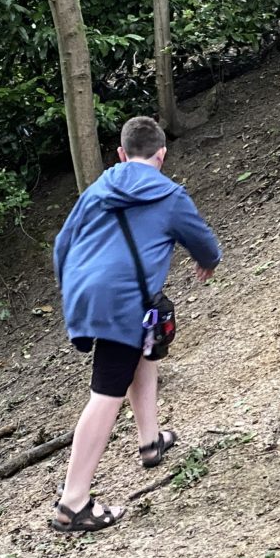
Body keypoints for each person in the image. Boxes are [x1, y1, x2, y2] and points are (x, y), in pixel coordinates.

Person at [49, 115, 222, 532]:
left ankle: (150, 441)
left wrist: (77, 290)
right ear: (162, 154)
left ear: (122, 154)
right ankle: (73, 504)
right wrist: (208, 262)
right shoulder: (169, 195)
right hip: (123, 299)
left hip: (88, 293)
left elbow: (61, 245)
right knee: (106, 392)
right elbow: (205, 244)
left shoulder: (97, 189)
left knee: (145, 348)